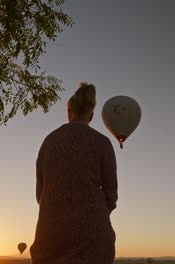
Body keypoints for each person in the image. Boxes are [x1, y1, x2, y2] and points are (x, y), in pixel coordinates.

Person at [30, 82, 118, 264]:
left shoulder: (49, 142)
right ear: (91, 116)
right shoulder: (103, 143)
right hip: (94, 239)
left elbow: (40, 193)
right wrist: (91, 215)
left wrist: (58, 211)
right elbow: (111, 195)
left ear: (68, 112)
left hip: (51, 236)